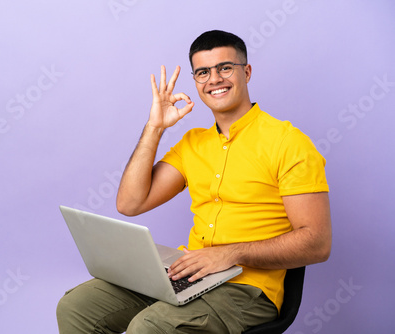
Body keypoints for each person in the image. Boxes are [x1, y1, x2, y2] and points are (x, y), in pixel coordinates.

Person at [57, 30, 332, 333]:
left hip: (247, 289)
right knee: (76, 307)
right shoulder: (192, 144)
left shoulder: (289, 142)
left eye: (225, 67)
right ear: (196, 81)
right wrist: (155, 127)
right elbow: (130, 204)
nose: (214, 79)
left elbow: (317, 244)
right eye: (203, 72)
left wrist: (230, 253)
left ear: (247, 72)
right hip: (188, 273)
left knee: (150, 327)